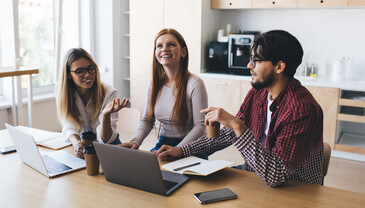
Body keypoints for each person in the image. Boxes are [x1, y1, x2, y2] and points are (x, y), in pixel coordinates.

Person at [157, 30, 324, 187]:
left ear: (279, 67)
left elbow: (277, 175)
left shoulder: (301, 109)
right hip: (256, 176)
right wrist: (181, 150)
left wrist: (237, 125)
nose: (249, 66)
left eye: (257, 61)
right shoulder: (258, 94)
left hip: (295, 189)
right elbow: (229, 135)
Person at [120, 28, 208, 152]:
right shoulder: (154, 83)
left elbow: (200, 127)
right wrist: (135, 142)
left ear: (183, 52)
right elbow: (147, 119)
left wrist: (177, 150)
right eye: (159, 46)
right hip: (164, 142)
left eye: (171, 44)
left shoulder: (195, 84)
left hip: (191, 146)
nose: (164, 49)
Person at [56, 48, 129, 158]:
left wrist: (105, 115)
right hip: (84, 146)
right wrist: (76, 143)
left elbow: (105, 140)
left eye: (91, 69)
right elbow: (68, 126)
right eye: (80, 71)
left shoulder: (109, 93)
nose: (88, 75)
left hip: (108, 145)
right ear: (68, 75)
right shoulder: (62, 91)